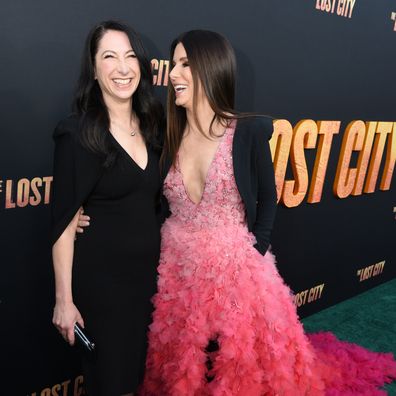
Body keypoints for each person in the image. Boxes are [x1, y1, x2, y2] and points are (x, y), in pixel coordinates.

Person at [79, 30, 396, 395]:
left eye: (185, 64)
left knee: (243, 367)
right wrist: (81, 211)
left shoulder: (247, 131)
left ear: (210, 69)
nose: (174, 75)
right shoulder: (163, 134)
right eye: (175, 63)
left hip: (237, 268)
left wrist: (254, 252)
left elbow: (268, 198)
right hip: (177, 270)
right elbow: (133, 186)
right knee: (184, 367)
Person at [51, 20, 163, 396]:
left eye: (130, 56)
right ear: (94, 69)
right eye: (109, 57)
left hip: (151, 282)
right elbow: (64, 225)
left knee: (142, 378)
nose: (122, 68)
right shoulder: (77, 133)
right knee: (112, 385)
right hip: (104, 287)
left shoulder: (154, 125)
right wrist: (64, 301)